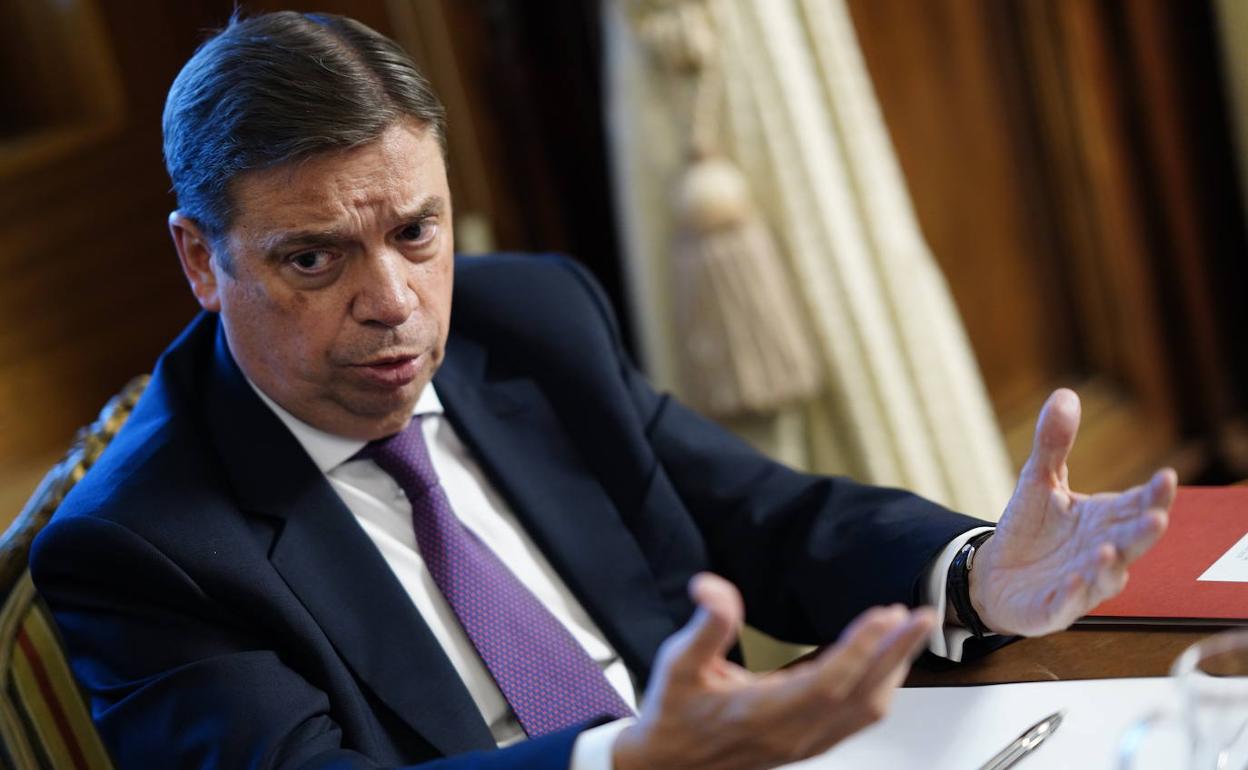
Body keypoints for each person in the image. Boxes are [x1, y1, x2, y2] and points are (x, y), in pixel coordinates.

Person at [29, 11, 1176, 770]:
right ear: (200, 259)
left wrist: (977, 573)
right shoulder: (141, 546)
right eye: (314, 258)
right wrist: (622, 758)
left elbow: (766, 517)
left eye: (418, 231)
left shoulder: (528, 323)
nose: (395, 302)